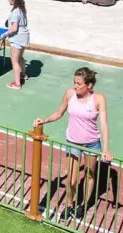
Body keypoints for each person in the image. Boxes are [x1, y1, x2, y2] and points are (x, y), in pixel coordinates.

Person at [32, 67, 112, 222]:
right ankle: (69, 205)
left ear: (89, 85)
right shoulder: (69, 94)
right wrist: (45, 120)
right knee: (72, 180)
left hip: (92, 144)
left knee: (90, 175)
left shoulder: (98, 99)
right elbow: (59, 113)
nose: (75, 86)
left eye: (79, 84)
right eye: (74, 82)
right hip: (73, 142)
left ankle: (83, 205)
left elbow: (104, 125)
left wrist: (106, 149)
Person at [0, 0, 30, 89]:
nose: (8, 0)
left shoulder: (15, 12)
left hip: (17, 38)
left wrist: (5, 34)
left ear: (13, 0)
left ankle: (17, 84)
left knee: (14, 60)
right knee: (20, 58)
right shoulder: (22, 9)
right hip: (24, 37)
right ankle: (23, 74)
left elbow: (14, 28)